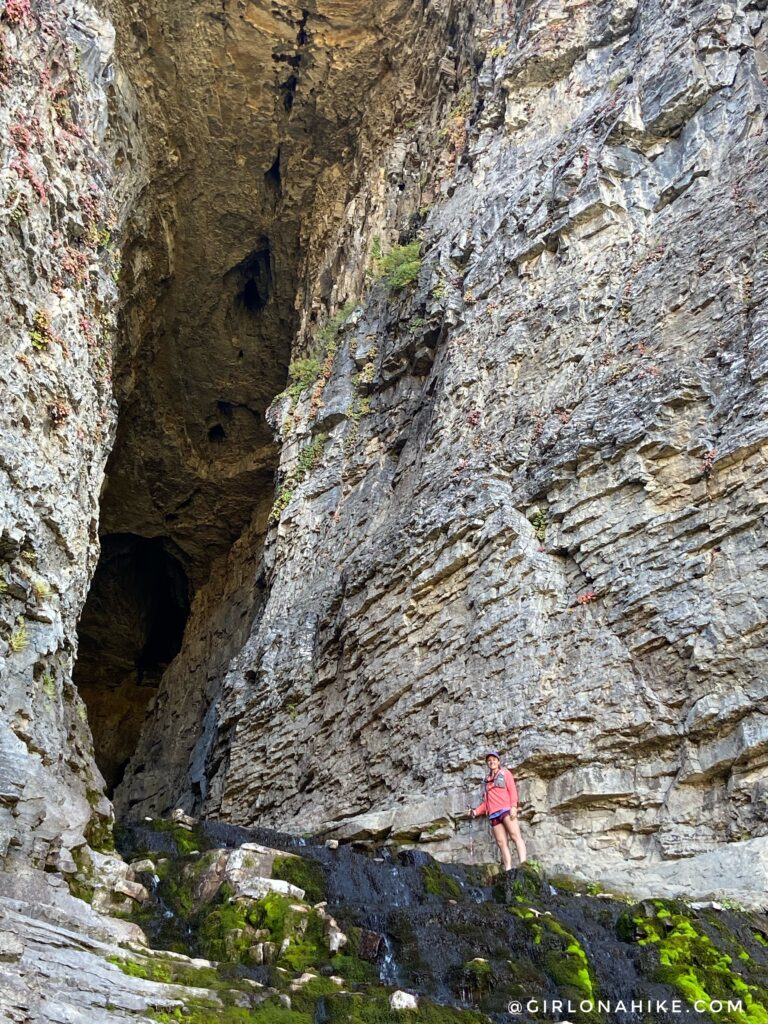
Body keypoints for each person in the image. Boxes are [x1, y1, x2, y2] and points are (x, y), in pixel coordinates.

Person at [470, 750, 527, 870]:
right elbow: (486, 803)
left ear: (498, 761)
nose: (492, 762)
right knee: (501, 843)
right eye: (489, 761)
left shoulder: (505, 773)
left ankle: (523, 864)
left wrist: (514, 807)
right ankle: (508, 869)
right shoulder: (487, 781)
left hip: (506, 810)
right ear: (487, 764)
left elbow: (512, 790)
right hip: (494, 814)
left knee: (515, 835)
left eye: (494, 760)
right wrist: (475, 811)